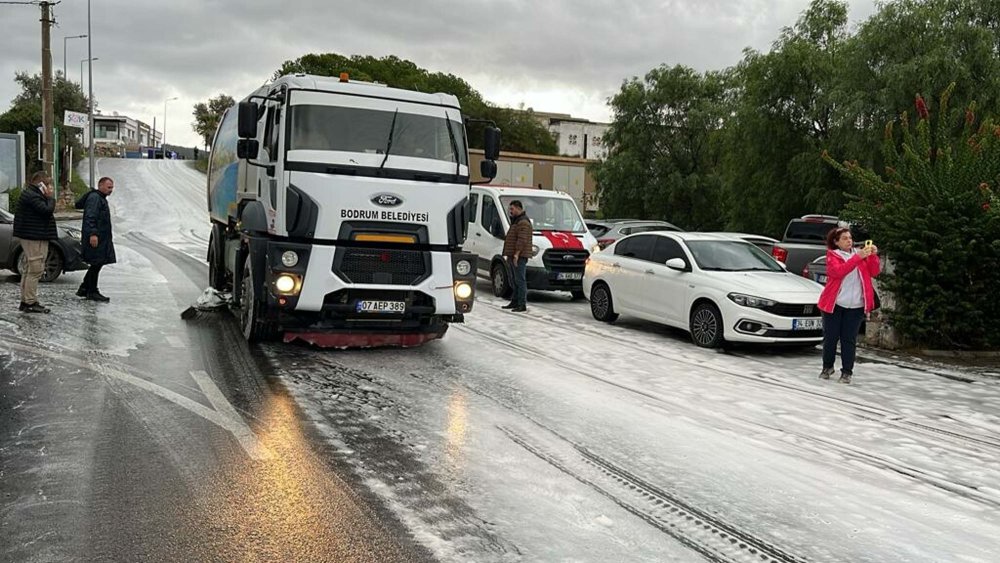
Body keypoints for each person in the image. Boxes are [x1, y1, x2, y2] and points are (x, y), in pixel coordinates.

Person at [817, 227, 880, 384]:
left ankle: (847, 372)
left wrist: (872, 256)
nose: (849, 241)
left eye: (850, 238)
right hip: (835, 304)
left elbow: (874, 271)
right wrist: (857, 258)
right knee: (831, 337)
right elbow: (838, 272)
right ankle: (827, 366)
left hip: (856, 306)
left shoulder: (860, 254)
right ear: (836, 242)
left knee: (849, 339)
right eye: (844, 238)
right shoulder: (833, 256)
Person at [13, 172, 58, 313]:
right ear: (41, 184)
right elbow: (46, 211)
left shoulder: (32, 194)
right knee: (35, 269)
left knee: (30, 269)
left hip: (37, 235)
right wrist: (50, 198)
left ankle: (27, 300)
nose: (51, 187)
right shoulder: (32, 196)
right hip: (33, 237)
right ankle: (29, 302)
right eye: (49, 184)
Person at [75, 176, 116, 302]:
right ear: (101, 185)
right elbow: (90, 216)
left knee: (97, 263)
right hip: (96, 238)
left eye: (112, 187)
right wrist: (93, 234)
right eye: (109, 187)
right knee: (96, 263)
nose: (111, 190)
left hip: (101, 237)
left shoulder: (99, 198)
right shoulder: (95, 198)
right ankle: (91, 291)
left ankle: (85, 288)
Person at [502, 200, 533, 312]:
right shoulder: (516, 220)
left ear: (518, 208)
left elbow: (522, 239)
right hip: (513, 254)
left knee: (520, 280)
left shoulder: (523, 222)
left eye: (512, 209)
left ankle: (521, 303)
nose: (510, 211)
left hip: (519, 256)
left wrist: (516, 254)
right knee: (514, 279)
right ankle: (515, 301)